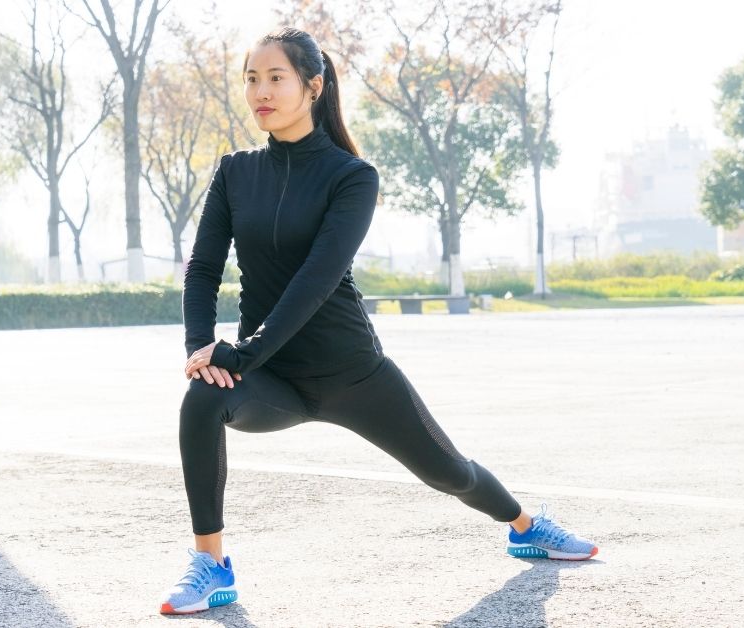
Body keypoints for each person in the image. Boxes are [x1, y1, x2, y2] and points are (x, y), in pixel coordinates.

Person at [160, 26, 597, 616]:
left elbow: (315, 281)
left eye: (275, 78)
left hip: (351, 374)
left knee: (450, 473)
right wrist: (201, 349)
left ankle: (525, 525)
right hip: (274, 380)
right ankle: (211, 564)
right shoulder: (235, 172)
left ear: (313, 86)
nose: (260, 91)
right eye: (251, 79)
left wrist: (242, 351)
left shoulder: (351, 177)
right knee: (202, 398)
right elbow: (203, 266)